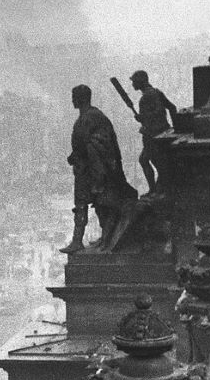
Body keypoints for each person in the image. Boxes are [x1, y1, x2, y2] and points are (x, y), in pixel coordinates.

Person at [62, 84, 135, 254]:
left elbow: (87, 142)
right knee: (96, 204)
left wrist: (75, 156)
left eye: (74, 96)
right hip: (91, 168)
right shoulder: (92, 116)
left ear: (81, 98)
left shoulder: (90, 117)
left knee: (88, 204)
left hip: (93, 170)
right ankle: (99, 238)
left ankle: (79, 240)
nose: (72, 100)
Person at [129, 70, 178, 195]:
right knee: (151, 161)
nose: (133, 84)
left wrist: (143, 118)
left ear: (141, 81)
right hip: (161, 133)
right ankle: (157, 188)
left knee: (152, 162)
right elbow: (172, 108)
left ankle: (156, 189)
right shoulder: (156, 92)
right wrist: (176, 128)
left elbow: (159, 111)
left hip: (153, 136)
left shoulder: (146, 97)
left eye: (134, 81)